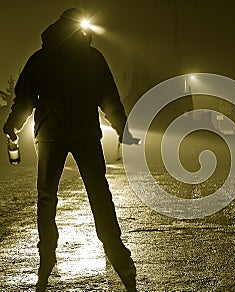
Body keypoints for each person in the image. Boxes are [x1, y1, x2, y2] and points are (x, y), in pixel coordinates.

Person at [3, 8, 137, 292]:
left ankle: (46, 258)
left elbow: (25, 98)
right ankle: (118, 254)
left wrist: (13, 125)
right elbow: (108, 97)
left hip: (50, 134)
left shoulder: (41, 58)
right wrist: (122, 127)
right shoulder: (93, 59)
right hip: (86, 133)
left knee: (47, 197)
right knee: (99, 194)